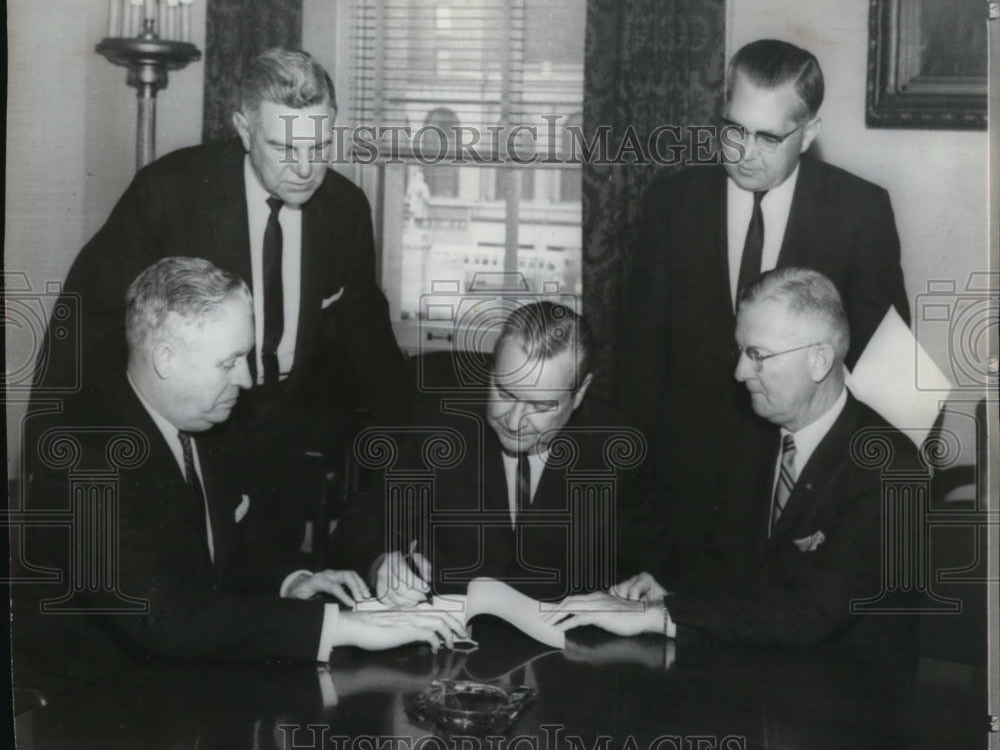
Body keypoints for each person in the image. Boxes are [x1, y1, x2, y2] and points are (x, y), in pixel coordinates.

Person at [12, 257, 467, 700]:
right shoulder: (83, 455)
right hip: (93, 707)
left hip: (184, 677)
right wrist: (342, 626)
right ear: (166, 359)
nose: (248, 380)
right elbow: (166, 618)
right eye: (229, 363)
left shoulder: (204, 416)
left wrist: (293, 580)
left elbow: (229, 543)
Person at [29, 47, 409, 550]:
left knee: (271, 592)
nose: (304, 168)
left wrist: (418, 444)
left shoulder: (346, 210)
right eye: (282, 147)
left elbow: (369, 340)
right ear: (243, 129)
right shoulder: (169, 192)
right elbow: (84, 324)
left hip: (287, 440)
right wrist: (54, 456)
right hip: (187, 435)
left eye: (319, 146)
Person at [621, 38, 911, 576]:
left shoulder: (859, 212)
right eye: (733, 128)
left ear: (810, 134)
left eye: (769, 137)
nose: (743, 152)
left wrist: (856, 518)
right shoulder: (671, 203)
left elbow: (896, 385)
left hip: (797, 508)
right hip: (682, 509)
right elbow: (638, 372)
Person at [549, 268, 921, 648]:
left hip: (850, 691)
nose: (740, 371)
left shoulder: (890, 468)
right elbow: (729, 572)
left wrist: (660, 616)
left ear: (820, 360)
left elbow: (812, 613)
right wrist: (669, 591)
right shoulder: (752, 439)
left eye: (757, 355)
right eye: (740, 351)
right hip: (757, 674)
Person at [335, 301, 657, 604]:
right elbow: (360, 524)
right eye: (504, 392)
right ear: (491, 370)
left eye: (541, 405)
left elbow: (654, 560)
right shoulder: (438, 424)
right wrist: (382, 562)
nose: (515, 421)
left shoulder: (618, 446)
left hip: (570, 647)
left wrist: (646, 586)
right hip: (449, 640)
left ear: (581, 392)